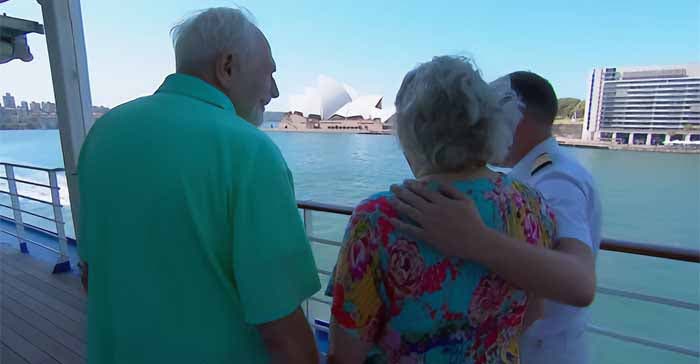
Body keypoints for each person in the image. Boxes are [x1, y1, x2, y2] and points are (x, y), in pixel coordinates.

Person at [77, 8, 320, 364]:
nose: (275, 91)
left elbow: (90, 276)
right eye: (269, 72)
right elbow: (281, 326)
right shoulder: (250, 151)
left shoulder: (103, 133)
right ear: (227, 67)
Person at [326, 56, 557, 364]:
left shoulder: (379, 218)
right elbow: (535, 310)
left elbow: (346, 352)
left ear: (412, 132)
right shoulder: (531, 206)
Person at [390, 71, 600, 364]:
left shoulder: (556, 180)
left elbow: (579, 283)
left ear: (518, 116)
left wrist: (475, 240)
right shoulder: (522, 179)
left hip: (542, 351)